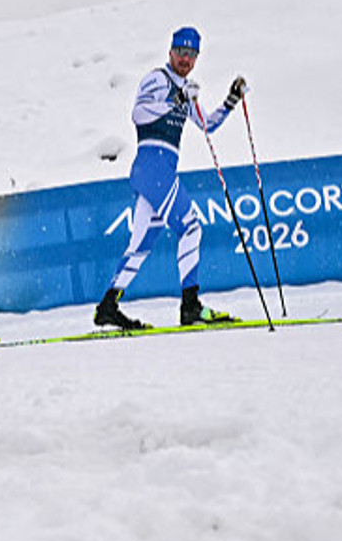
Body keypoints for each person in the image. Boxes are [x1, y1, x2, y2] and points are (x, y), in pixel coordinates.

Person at [93, 26, 247, 330]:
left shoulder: (186, 90)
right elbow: (139, 114)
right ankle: (190, 306)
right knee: (191, 227)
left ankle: (107, 307)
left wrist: (231, 101)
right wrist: (175, 99)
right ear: (171, 52)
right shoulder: (158, 79)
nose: (186, 59)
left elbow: (207, 125)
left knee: (141, 245)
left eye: (192, 54)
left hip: (156, 172)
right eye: (181, 52)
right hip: (154, 168)